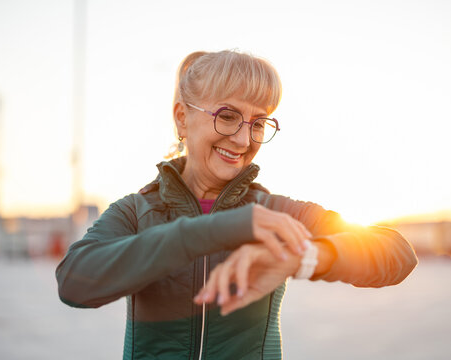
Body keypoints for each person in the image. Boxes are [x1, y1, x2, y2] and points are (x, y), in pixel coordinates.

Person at [55, 50, 418, 360]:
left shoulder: (275, 212)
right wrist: (215, 230)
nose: (244, 139)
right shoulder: (135, 212)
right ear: (182, 117)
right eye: (227, 116)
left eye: (258, 122)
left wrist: (305, 258)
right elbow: (74, 283)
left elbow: (396, 252)